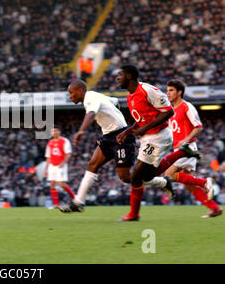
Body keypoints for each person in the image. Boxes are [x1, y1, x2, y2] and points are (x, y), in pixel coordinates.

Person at [115, 65, 213, 221]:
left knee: (135, 177)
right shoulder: (130, 96)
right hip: (148, 136)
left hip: (159, 136)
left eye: (120, 75)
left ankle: (134, 214)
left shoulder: (147, 90)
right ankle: (182, 153)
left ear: (129, 76)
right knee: (147, 176)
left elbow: (168, 111)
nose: (117, 78)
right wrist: (126, 131)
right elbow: (141, 119)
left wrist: (144, 128)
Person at [58, 79, 171, 213]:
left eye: (71, 93)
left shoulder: (90, 98)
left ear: (80, 91)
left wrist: (82, 130)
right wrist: (115, 117)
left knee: (126, 178)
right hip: (108, 137)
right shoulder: (96, 96)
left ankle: (163, 182)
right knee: (92, 165)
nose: (70, 96)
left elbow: (91, 114)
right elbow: (115, 101)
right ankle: (78, 202)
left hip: (121, 137)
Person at [165, 79, 221, 218]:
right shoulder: (171, 111)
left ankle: (205, 182)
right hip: (178, 149)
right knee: (189, 184)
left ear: (180, 92)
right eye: (167, 90)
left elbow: (198, 126)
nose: (168, 93)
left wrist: (185, 140)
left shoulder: (186, 106)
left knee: (168, 175)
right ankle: (215, 209)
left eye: (171, 90)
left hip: (186, 148)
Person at [43, 126, 76, 209]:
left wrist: (63, 162)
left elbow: (68, 153)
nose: (54, 132)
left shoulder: (64, 141)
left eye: (56, 131)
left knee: (61, 184)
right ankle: (55, 204)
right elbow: (48, 157)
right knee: (52, 184)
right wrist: (46, 169)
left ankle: (75, 199)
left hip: (61, 165)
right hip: (52, 165)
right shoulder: (50, 142)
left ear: (59, 132)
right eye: (53, 131)